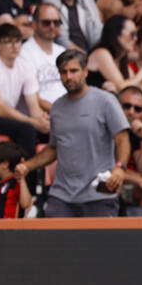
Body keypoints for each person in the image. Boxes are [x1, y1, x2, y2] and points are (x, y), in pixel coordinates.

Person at [16, 49, 130, 217]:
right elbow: (53, 148)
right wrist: (27, 166)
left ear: (85, 72)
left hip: (98, 194)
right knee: (55, 243)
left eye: (73, 71)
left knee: (97, 244)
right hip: (61, 196)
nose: (68, 76)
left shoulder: (106, 101)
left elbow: (122, 138)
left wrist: (120, 168)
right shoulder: (57, 108)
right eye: (63, 72)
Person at [0, 23, 47, 160]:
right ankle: (25, 179)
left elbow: (34, 107)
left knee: (53, 129)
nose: (15, 46)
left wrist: (43, 121)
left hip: (6, 118)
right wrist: (32, 122)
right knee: (26, 129)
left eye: (18, 41)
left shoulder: (25, 65)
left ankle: (48, 179)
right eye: (8, 41)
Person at [19, 3, 66, 110]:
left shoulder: (62, 51)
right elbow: (34, 99)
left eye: (57, 22)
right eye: (46, 23)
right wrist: (63, 113)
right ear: (34, 25)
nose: (52, 26)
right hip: (44, 114)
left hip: (68, 110)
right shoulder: (23, 53)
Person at [0, 141, 31, 218]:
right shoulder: (1, 184)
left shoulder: (17, 182)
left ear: (5, 164)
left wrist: (22, 179)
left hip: (11, 229)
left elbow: (26, 204)